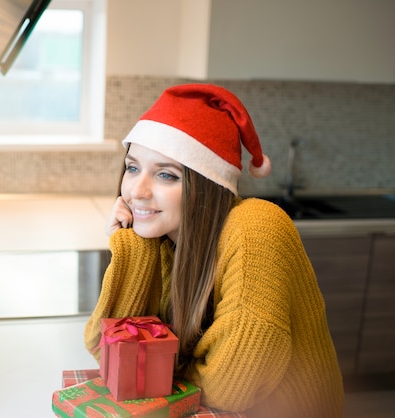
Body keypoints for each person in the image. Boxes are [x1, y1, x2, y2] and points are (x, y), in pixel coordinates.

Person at [84, 84, 344, 417]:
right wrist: (135, 248)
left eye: (166, 175)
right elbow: (105, 352)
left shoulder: (256, 227)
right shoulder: (163, 240)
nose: (137, 191)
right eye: (133, 168)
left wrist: (158, 369)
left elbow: (232, 385)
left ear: (206, 185)